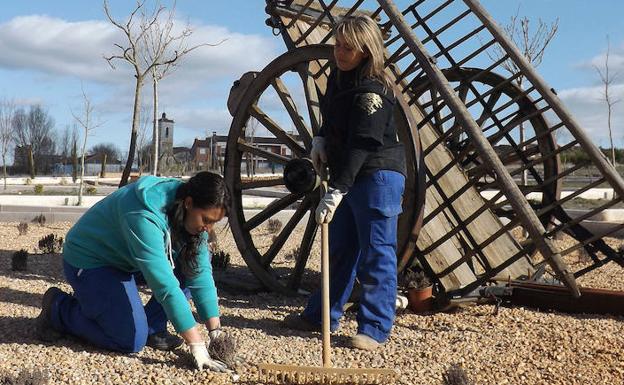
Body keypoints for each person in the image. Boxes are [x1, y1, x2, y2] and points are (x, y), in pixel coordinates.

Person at [284, 15, 406, 351]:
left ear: (366, 51)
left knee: (376, 254)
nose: (338, 52)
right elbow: (333, 121)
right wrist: (320, 139)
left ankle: (375, 328)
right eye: (337, 44)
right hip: (349, 172)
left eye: (347, 47)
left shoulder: (373, 90)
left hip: (378, 175)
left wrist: (338, 189)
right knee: (339, 249)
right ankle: (321, 316)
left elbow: (362, 144)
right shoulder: (340, 78)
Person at [35, 171, 230, 371]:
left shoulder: (191, 214)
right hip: (92, 260)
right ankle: (59, 309)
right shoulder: (144, 213)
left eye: (214, 222)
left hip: (128, 259)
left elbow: (200, 273)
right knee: (129, 340)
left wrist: (215, 331)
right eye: (206, 220)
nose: (209, 228)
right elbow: (164, 285)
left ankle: (153, 328)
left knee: (190, 265)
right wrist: (196, 344)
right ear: (188, 203)